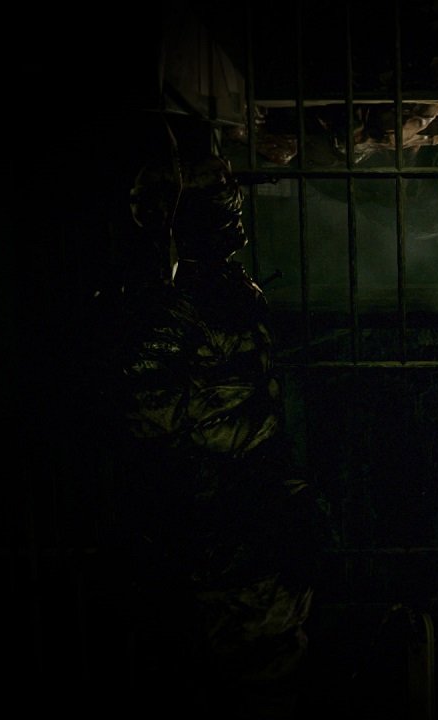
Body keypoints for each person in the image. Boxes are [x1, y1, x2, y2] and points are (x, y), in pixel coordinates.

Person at [96, 150, 320, 717]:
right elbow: (152, 421)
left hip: (247, 514)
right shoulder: (170, 310)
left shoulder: (224, 293)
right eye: (215, 199)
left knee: (269, 661)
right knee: (249, 668)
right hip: (221, 524)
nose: (232, 205)